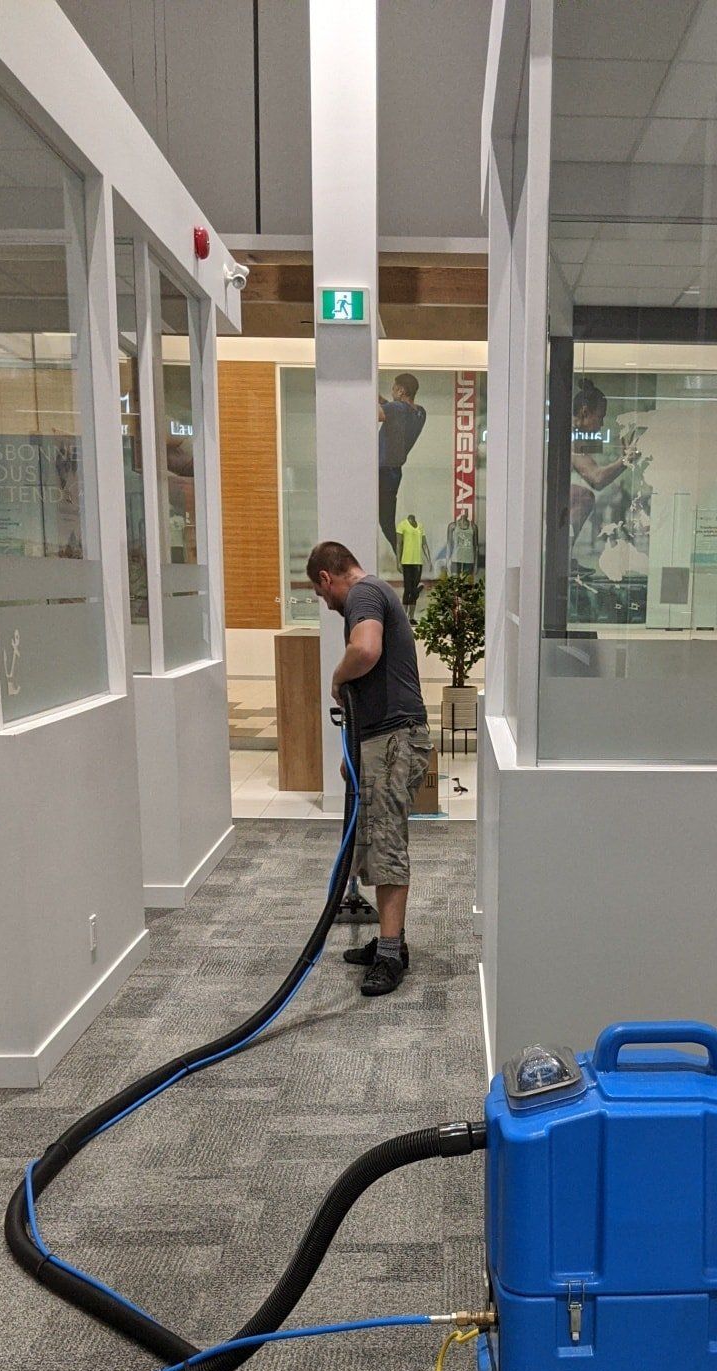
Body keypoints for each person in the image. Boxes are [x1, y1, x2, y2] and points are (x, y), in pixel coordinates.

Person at [306, 540, 431, 997]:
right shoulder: (374, 592)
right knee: (373, 840)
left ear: (326, 577)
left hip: (395, 740)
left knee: (386, 845)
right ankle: (388, 943)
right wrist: (355, 753)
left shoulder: (361, 593)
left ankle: (391, 954)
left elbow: (366, 650)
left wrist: (336, 679)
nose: (328, 603)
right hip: (384, 739)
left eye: (323, 596)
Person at [569, 380, 636, 540]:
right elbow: (597, 479)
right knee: (583, 497)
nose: (602, 424)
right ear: (585, 413)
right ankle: (564, 552)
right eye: (600, 417)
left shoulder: (576, 438)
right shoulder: (569, 437)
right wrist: (626, 460)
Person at [378, 373, 426, 560]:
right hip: (395, 472)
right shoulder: (420, 412)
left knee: (385, 522)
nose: (391, 392)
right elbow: (389, 407)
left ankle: (405, 557)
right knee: (387, 519)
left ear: (401, 390)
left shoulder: (397, 409)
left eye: (393, 389)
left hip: (383, 471)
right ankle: (407, 560)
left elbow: (381, 412)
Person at [396, 510, 430, 614]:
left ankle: (411, 616)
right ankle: (404, 616)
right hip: (407, 561)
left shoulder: (420, 526)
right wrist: (398, 561)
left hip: (418, 562)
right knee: (408, 589)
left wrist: (429, 559)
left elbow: (424, 544)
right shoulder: (402, 525)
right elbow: (399, 544)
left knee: (413, 589)